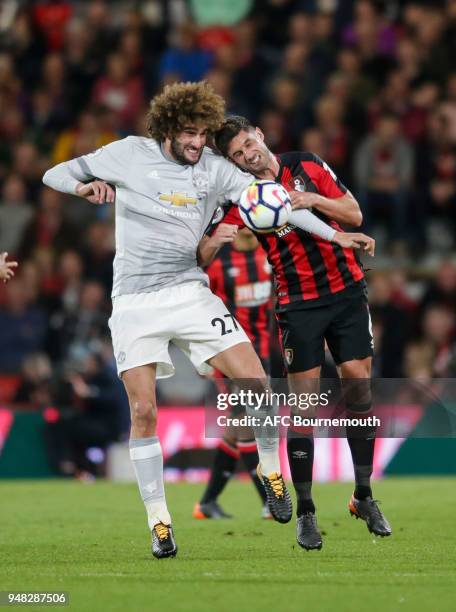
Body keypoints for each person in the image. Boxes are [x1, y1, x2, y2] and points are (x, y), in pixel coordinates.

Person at [41, 81, 352, 559]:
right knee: (144, 412)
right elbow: (53, 173)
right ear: (167, 127)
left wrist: (336, 235)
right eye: (189, 132)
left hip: (189, 290)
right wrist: (84, 186)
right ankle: (160, 522)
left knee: (254, 379)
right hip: (134, 301)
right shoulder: (127, 154)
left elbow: (277, 201)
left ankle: (271, 472)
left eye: (204, 133)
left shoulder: (214, 169)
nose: (197, 142)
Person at [202, 115, 392, 550]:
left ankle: (364, 496)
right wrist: (215, 239)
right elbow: (208, 240)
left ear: (261, 136)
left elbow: (354, 213)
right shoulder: (242, 196)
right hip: (298, 304)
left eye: (248, 144)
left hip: (346, 291)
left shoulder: (305, 165)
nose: (247, 155)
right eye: (237, 154)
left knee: (360, 391)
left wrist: (309, 200)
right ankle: (306, 511)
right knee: (304, 407)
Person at [193, 228, 272, 520]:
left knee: (235, 429)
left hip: (262, 353)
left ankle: (207, 503)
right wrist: (202, 354)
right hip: (229, 354)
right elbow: (198, 308)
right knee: (247, 424)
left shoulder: (269, 254)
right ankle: (270, 501)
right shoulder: (218, 262)